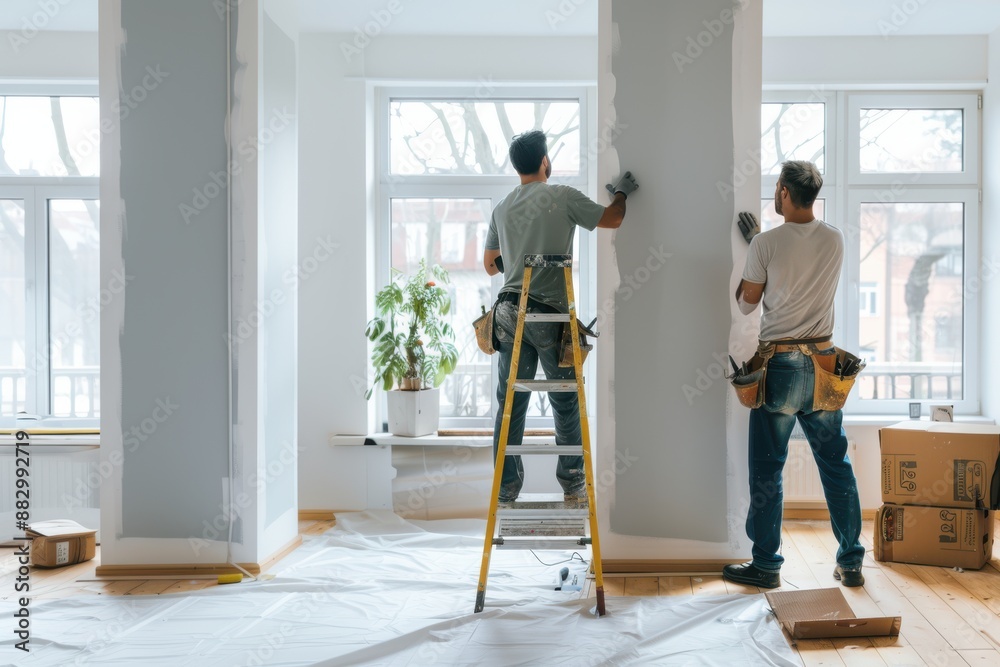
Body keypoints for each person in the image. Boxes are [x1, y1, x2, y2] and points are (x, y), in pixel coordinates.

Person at [723, 160, 865, 589]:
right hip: (823, 366)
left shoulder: (765, 243)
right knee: (835, 465)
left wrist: (754, 248)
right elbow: (801, 263)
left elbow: (747, 303)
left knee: (768, 470)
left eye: (776, 188)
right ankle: (852, 562)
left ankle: (766, 566)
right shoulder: (836, 239)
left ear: (784, 191)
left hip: (781, 367)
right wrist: (762, 246)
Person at [483, 130, 636, 503]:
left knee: (510, 403)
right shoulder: (562, 196)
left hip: (508, 313)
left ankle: (505, 489)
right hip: (549, 315)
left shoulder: (501, 208)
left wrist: (518, 264)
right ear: (545, 163)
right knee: (565, 400)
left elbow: (490, 266)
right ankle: (573, 486)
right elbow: (613, 219)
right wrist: (622, 192)